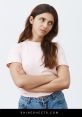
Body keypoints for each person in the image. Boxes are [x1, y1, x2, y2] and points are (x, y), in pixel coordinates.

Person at [6, 3, 70, 109]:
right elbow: (20, 81)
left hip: (56, 101)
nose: (45, 26)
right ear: (31, 20)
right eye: (42, 19)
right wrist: (51, 77)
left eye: (50, 23)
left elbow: (65, 82)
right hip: (29, 104)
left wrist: (31, 87)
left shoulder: (56, 48)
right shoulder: (17, 49)